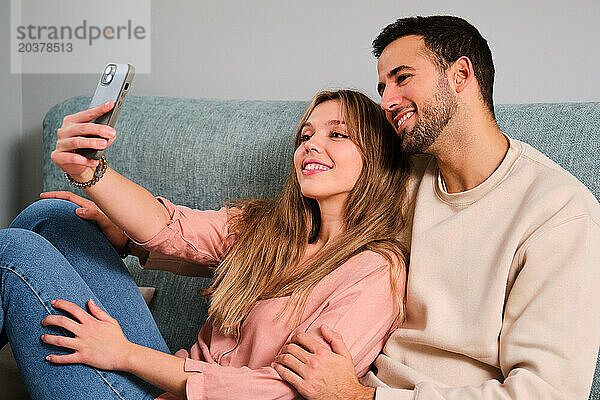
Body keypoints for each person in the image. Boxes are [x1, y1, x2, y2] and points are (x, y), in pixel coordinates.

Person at [0, 89, 412, 399]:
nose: (310, 145)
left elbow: (278, 392)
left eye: (336, 134)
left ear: (374, 158)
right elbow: (171, 226)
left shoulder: (374, 272)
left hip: (175, 383)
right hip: (169, 384)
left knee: (16, 254)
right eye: (305, 135)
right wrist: (91, 172)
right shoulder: (268, 228)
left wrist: (122, 354)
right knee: (54, 217)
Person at [272, 15, 600, 400]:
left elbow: (545, 393)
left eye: (402, 77)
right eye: (382, 87)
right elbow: (307, 234)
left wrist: (358, 396)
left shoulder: (559, 212)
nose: (386, 101)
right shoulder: (399, 179)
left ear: (461, 75)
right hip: (347, 378)